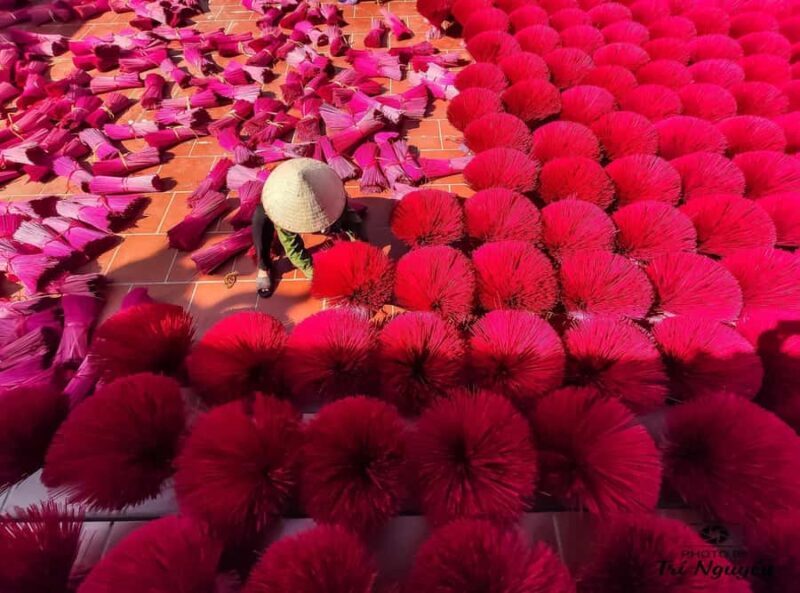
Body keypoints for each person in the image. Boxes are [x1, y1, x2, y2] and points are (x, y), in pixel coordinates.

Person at [253, 158, 363, 297]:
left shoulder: (330, 190)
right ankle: (264, 267)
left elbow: (351, 219)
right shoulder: (282, 210)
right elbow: (293, 249)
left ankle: (329, 226)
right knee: (260, 217)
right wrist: (315, 275)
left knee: (342, 223)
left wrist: (360, 247)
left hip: (317, 190)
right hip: (283, 199)